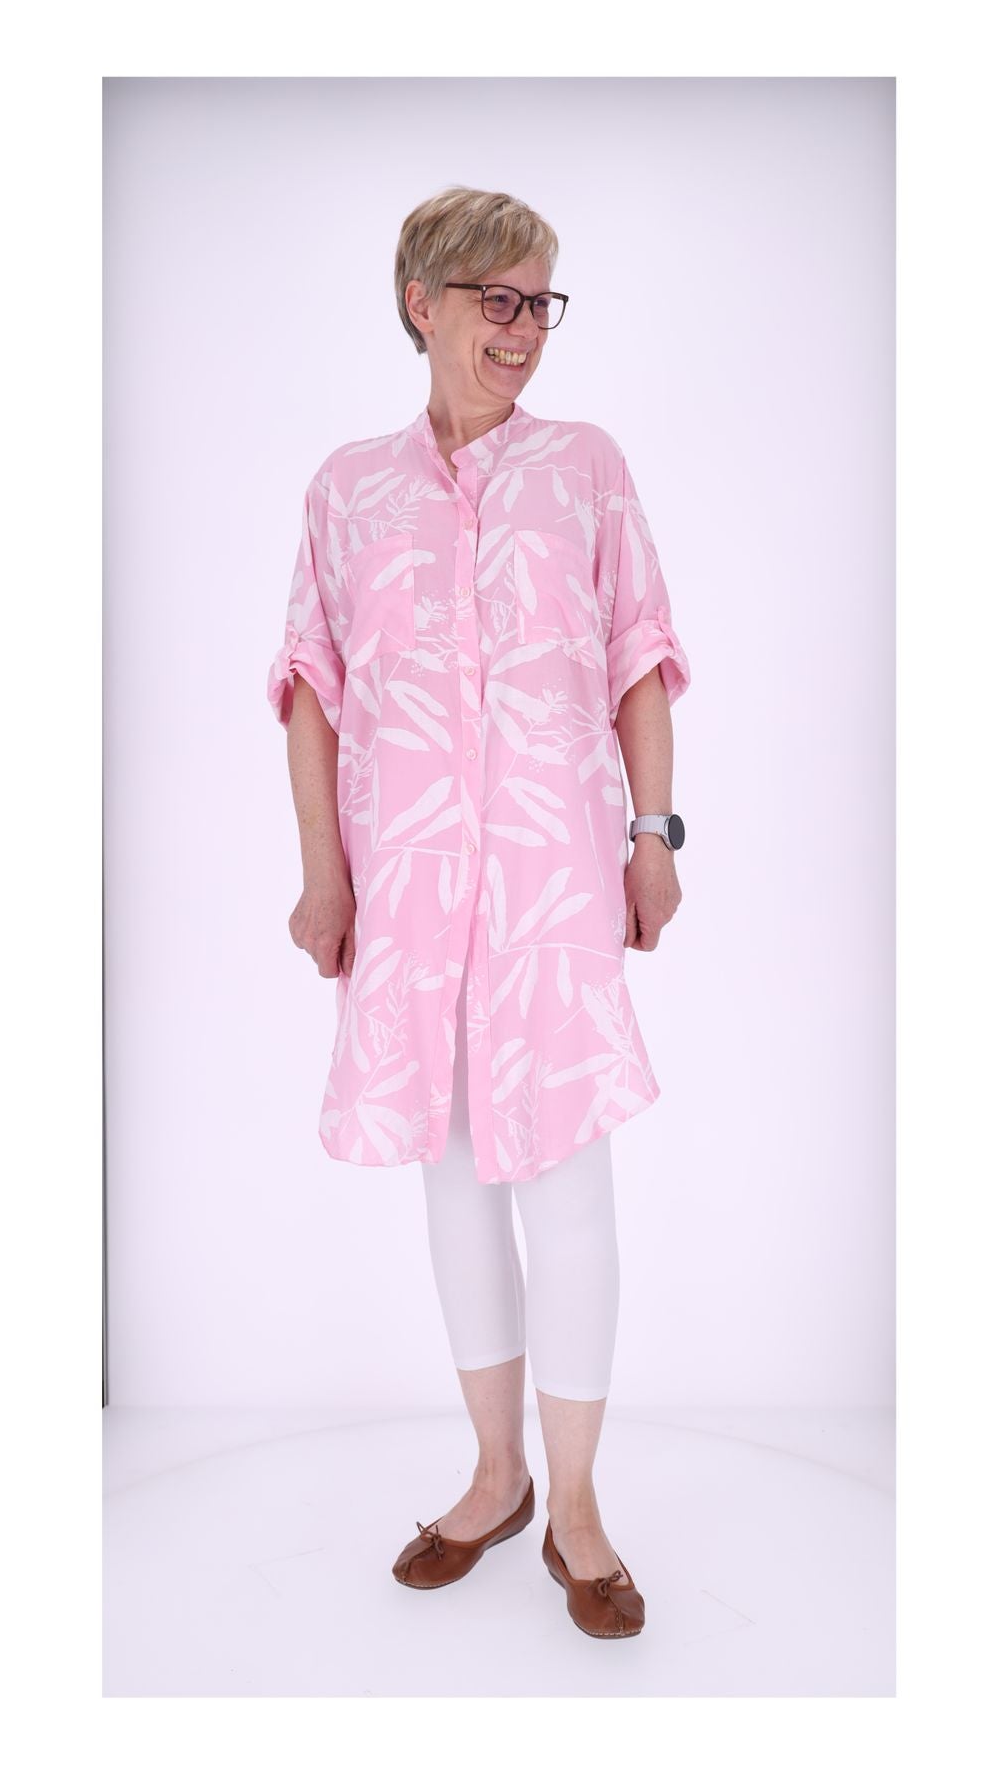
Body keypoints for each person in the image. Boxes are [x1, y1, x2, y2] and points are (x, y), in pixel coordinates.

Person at [266, 186, 690, 1640]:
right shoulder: (346, 489)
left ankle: (576, 1508)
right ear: (422, 303)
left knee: (565, 1181)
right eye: (497, 300)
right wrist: (324, 874)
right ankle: (497, 1475)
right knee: (452, 1179)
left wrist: (651, 836)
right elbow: (311, 689)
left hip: (553, 875)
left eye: (539, 303)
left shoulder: (586, 468)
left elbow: (640, 653)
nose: (523, 331)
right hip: (408, 885)